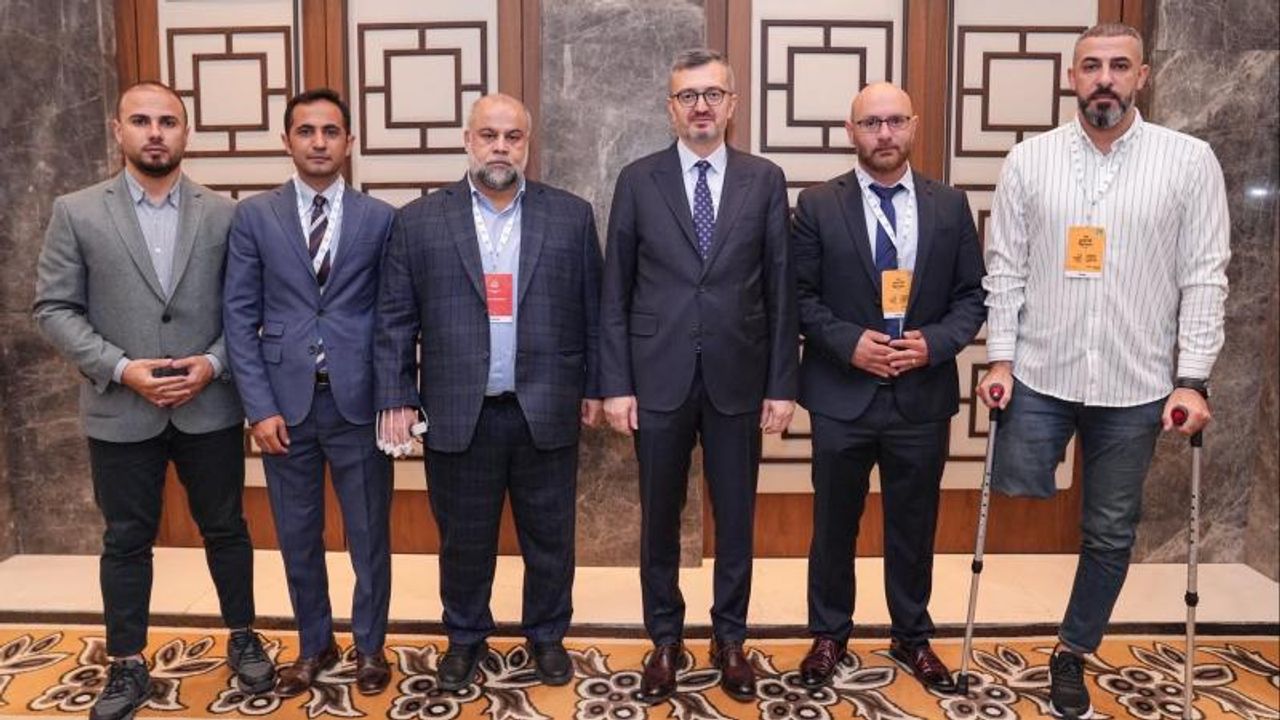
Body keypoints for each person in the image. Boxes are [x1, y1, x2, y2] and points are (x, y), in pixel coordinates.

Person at [976, 23, 1229, 720]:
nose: (1105, 79)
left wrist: (1192, 377)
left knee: (1111, 529)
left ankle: (1071, 651)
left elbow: (1204, 276)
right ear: (1072, 77)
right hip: (1041, 373)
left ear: (1143, 76)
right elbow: (1007, 268)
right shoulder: (1029, 161)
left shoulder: (1188, 161)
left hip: (1136, 383)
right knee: (1019, 489)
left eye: (1120, 66)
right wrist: (1001, 358)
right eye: (1091, 66)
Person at [32, 81, 274, 720]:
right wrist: (121, 368)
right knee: (126, 540)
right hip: (121, 408)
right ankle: (126, 663)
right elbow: (54, 308)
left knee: (227, 529)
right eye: (141, 121)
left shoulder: (225, 214)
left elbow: (248, 307)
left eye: (168, 121)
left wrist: (213, 363)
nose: (155, 132)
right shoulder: (76, 211)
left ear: (185, 132)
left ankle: (243, 636)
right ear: (119, 131)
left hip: (209, 404)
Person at [374, 93, 603, 692]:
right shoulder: (419, 221)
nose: (500, 147)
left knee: (550, 539)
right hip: (457, 411)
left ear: (528, 144)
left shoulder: (571, 217)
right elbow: (394, 320)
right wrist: (397, 395)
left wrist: (598, 387)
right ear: (468, 141)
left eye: (513, 136)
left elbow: (594, 312)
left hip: (544, 406)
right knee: (463, 540)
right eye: (489, 135)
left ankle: (546, 636)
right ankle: (465, 637)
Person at [599, 48, 798, 704]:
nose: (701, 106)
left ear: (733, 104)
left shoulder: (764, 179)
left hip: (740, 377)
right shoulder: (638, 179)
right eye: (688, 96)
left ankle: (730, 638)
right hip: (656, 376)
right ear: (671, 108)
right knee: (659, 517)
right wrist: (616, 383)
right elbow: (615, 289)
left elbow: (781, 287)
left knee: (736, 517)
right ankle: (664, 638)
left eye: (713, 94)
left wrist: (782, 384)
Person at [792, 82, 986, 693]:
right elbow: (799, 297)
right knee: (833, 525)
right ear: (851, 132)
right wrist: (849, 343)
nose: (884, 133)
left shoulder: (949, 205)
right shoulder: (818, 205)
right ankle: (829, 634)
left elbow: (972, 296)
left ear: (914, 126)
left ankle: (912, 636)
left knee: (914, 525)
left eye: (895, 121)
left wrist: (936, 343)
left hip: (920, 394)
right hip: (841, 394)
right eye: (871, 123)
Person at [223, 88, 396, 697]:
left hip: (359, 403)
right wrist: (259, 407)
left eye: (330, 132)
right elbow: (238, 318)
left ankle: (370, 646)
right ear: (287, 141)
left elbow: (394, 316)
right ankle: (314, 643)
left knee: (369, 535)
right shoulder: (254, 217)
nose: (319, 142)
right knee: (298, 537)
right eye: (306, 131)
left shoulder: (381, 218)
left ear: (350, 142)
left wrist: (394, 399)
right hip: (285, 407)